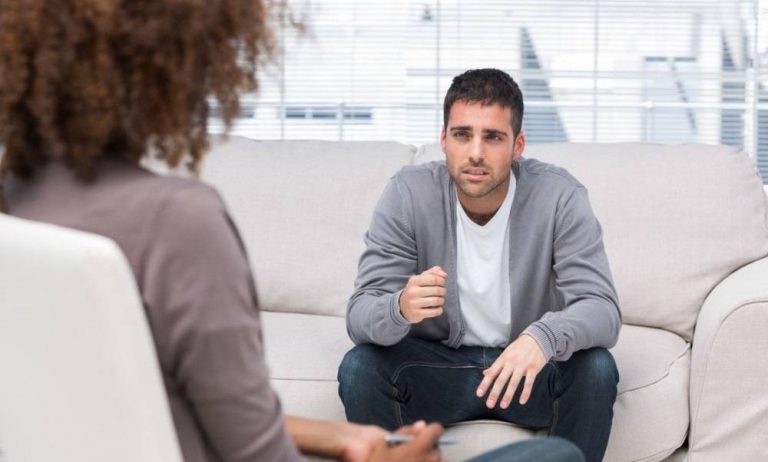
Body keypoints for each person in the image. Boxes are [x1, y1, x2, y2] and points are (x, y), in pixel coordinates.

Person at [0, 3, 585, 462]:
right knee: (555, 456)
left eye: (491, 137)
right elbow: (255, 448)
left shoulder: (14, 206)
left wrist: (338, 438)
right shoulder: (178, 220)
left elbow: (178, 409)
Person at [338, 68, 622, 462]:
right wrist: (399, 307)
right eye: (462, 135)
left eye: (492, 137)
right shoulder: (408, 193)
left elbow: (602, 309)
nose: (475, 152)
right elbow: (360, 314)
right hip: (439, 371)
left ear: (517, 144)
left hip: (524, 372)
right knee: (359, 368)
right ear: (443, 139)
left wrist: (544, 337)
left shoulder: (559, 196)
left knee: (596, 368)